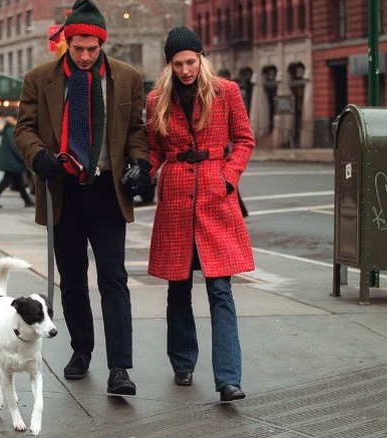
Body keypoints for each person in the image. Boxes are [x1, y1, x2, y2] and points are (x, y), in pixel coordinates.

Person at [14, 0, 151, 396]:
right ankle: (81, 350)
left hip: (108, 192)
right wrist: (38, 155)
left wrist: (139, 163)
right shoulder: (41, 78)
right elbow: (23, 128)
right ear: (67, 43)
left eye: (93, 48)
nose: (86, 56)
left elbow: (137, 131)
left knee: (114, 280)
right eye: (79, 49)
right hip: (64, 192)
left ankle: (120, 367)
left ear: (102, 43)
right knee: (72, 280)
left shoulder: (126, 77)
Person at [145, 26, 255, 402]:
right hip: (176, 198)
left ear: (201, 58)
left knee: (220, 290)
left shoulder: (226, 92)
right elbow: (155, 150)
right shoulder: (158, 98)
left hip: (214, 195)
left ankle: (228, 379)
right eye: (178, 64)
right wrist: (142, 171)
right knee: (178, 288)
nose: (186, 70)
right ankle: (183, 364)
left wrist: (228, 178)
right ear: (169, 65)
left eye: (191, 61)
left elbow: (244, 140)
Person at [0, 117, 34, 208]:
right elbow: (15, 146)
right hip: (12, 161)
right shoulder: (11, 130)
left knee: (19, 182)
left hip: (11, 161)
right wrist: (23, 158)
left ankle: (27, 201)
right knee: (7, 181)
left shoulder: (9, 130)